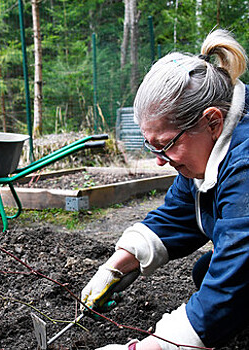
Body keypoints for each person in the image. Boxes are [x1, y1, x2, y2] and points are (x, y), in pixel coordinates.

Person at [80, 29, 249, 350]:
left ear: (212, 122)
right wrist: (117, 264)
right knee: (205, 270)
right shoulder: (212, 143)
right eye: (151, 146)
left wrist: (149, 347)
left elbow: (238, 271)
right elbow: (181, 213)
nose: (159, 162)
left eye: (165, 145)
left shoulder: (246, 162)